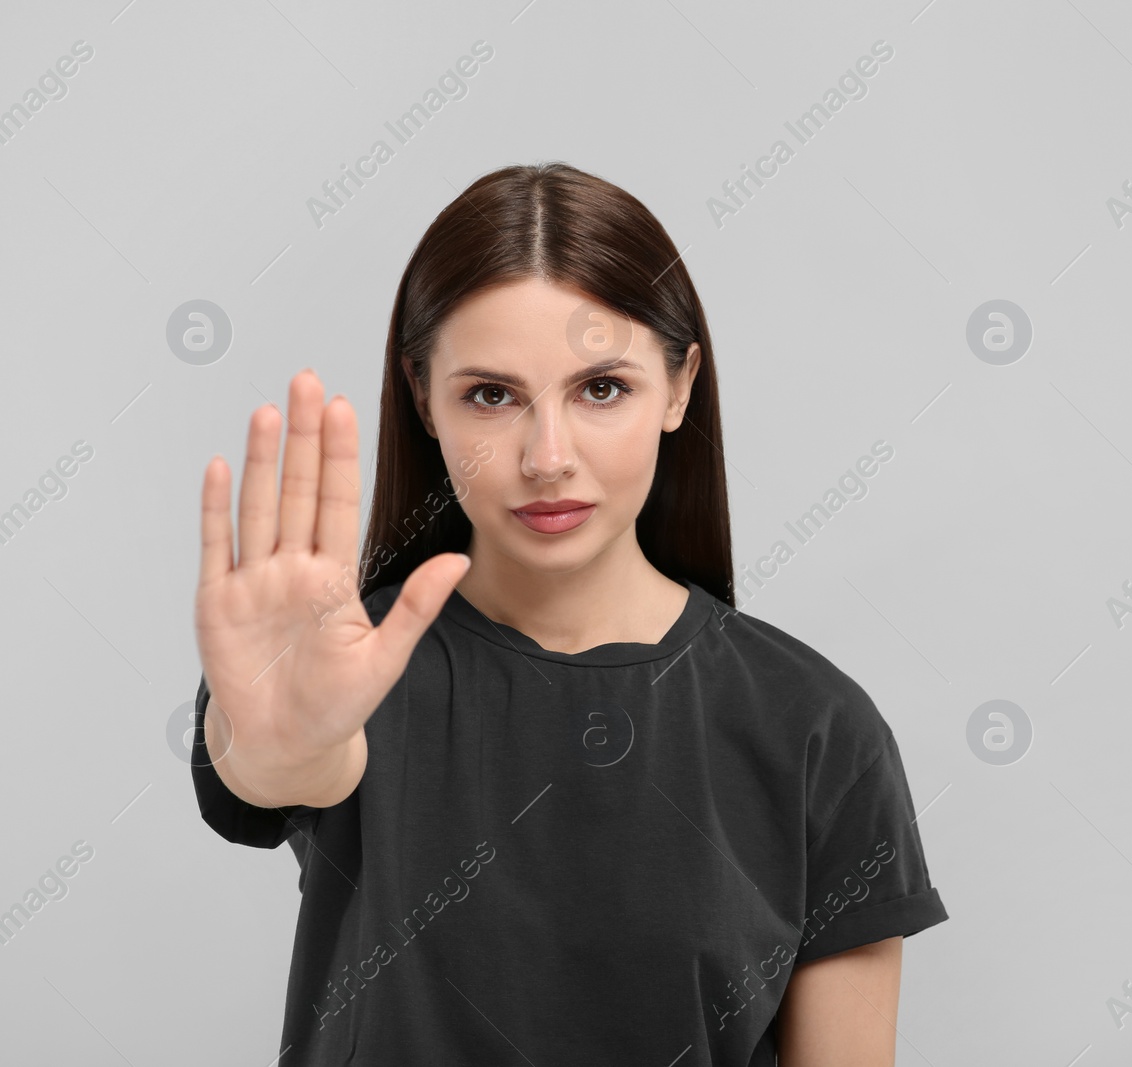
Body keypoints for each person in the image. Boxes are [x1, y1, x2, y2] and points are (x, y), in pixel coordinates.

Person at [189, 162, 949, 1066]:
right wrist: (273, 748)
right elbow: (284, 760)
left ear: (679, 386)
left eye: (601, 389)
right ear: (423, 398)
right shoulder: (344, 670)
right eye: (491, 394)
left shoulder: (818, 728)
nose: (547, 457)